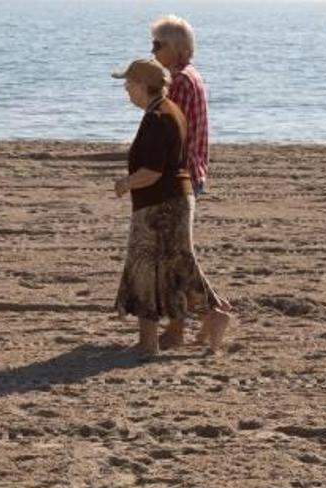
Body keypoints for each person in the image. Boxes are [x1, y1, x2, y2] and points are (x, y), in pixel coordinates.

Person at [111, 59, 230, 357]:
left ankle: (150, 342)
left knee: (145, 269)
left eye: (128, 85)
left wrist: (125, 183)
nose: (126, 91)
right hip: (174, 200)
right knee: (175, 268)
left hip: (160, 205)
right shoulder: (170, 110)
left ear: (142, 85)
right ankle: (211, 316)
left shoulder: (157, 117)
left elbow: (152, 171)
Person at [150, 15, 209, 197]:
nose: (153, 51)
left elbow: (172, 131)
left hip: (180, 174)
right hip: (192, 170)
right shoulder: (191, 74)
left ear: (175, 48)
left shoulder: (180, 80)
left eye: (157, 45)